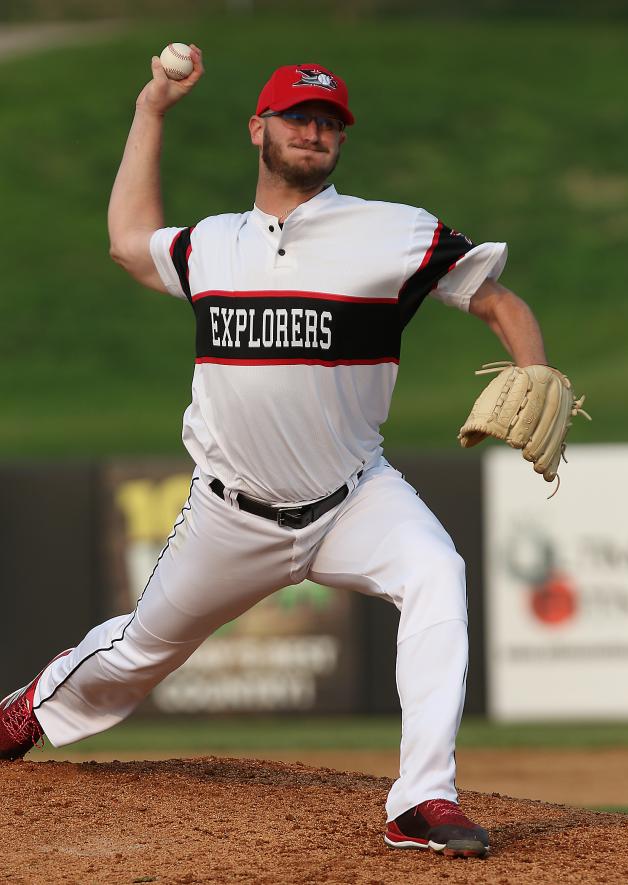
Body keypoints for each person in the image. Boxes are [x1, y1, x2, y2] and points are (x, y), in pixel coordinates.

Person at [0, 52, 548, 859]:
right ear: (259, 128)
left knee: (438, 568)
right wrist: (152, 106)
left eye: (329, 122)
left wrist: (535, 367)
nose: (315, 131)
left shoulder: (393, 231)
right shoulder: (214, 246)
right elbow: (126, 242)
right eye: (298, 116)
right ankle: (29, 707)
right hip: (230, 514)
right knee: (139, 651)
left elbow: (496, 297)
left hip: (354, 496)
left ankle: (422, 796)